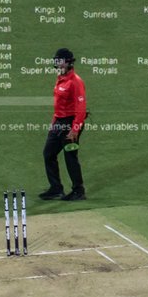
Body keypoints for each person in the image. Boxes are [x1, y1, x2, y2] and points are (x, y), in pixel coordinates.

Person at [39, 47, 88, 201]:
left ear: (68, 62)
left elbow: (81, 109)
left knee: (70, 156)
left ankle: (78, 191)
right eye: (56, 61)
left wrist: (75, 129)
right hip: (59, 122)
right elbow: (59, 105)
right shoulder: (60, 78)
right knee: (48, 153)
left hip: (71, 123)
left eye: (60, 61)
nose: (57, 63)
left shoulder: (76, 82)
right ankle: (56, 188)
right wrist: (54, 123)